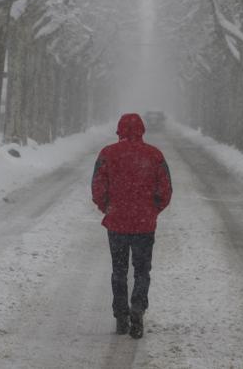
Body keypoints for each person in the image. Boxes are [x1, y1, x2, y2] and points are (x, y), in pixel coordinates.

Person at [90, 112, 172, 339]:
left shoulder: (107, 154)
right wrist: (152, 209)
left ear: (119, 130)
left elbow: (97, 186)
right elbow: (165, 190)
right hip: (144, 224)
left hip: (117, 223)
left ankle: (121, 316)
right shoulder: (154, 155)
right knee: (142, 270)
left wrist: (107, 206)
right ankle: (138, 308)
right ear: (142, 130)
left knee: (119, 270)